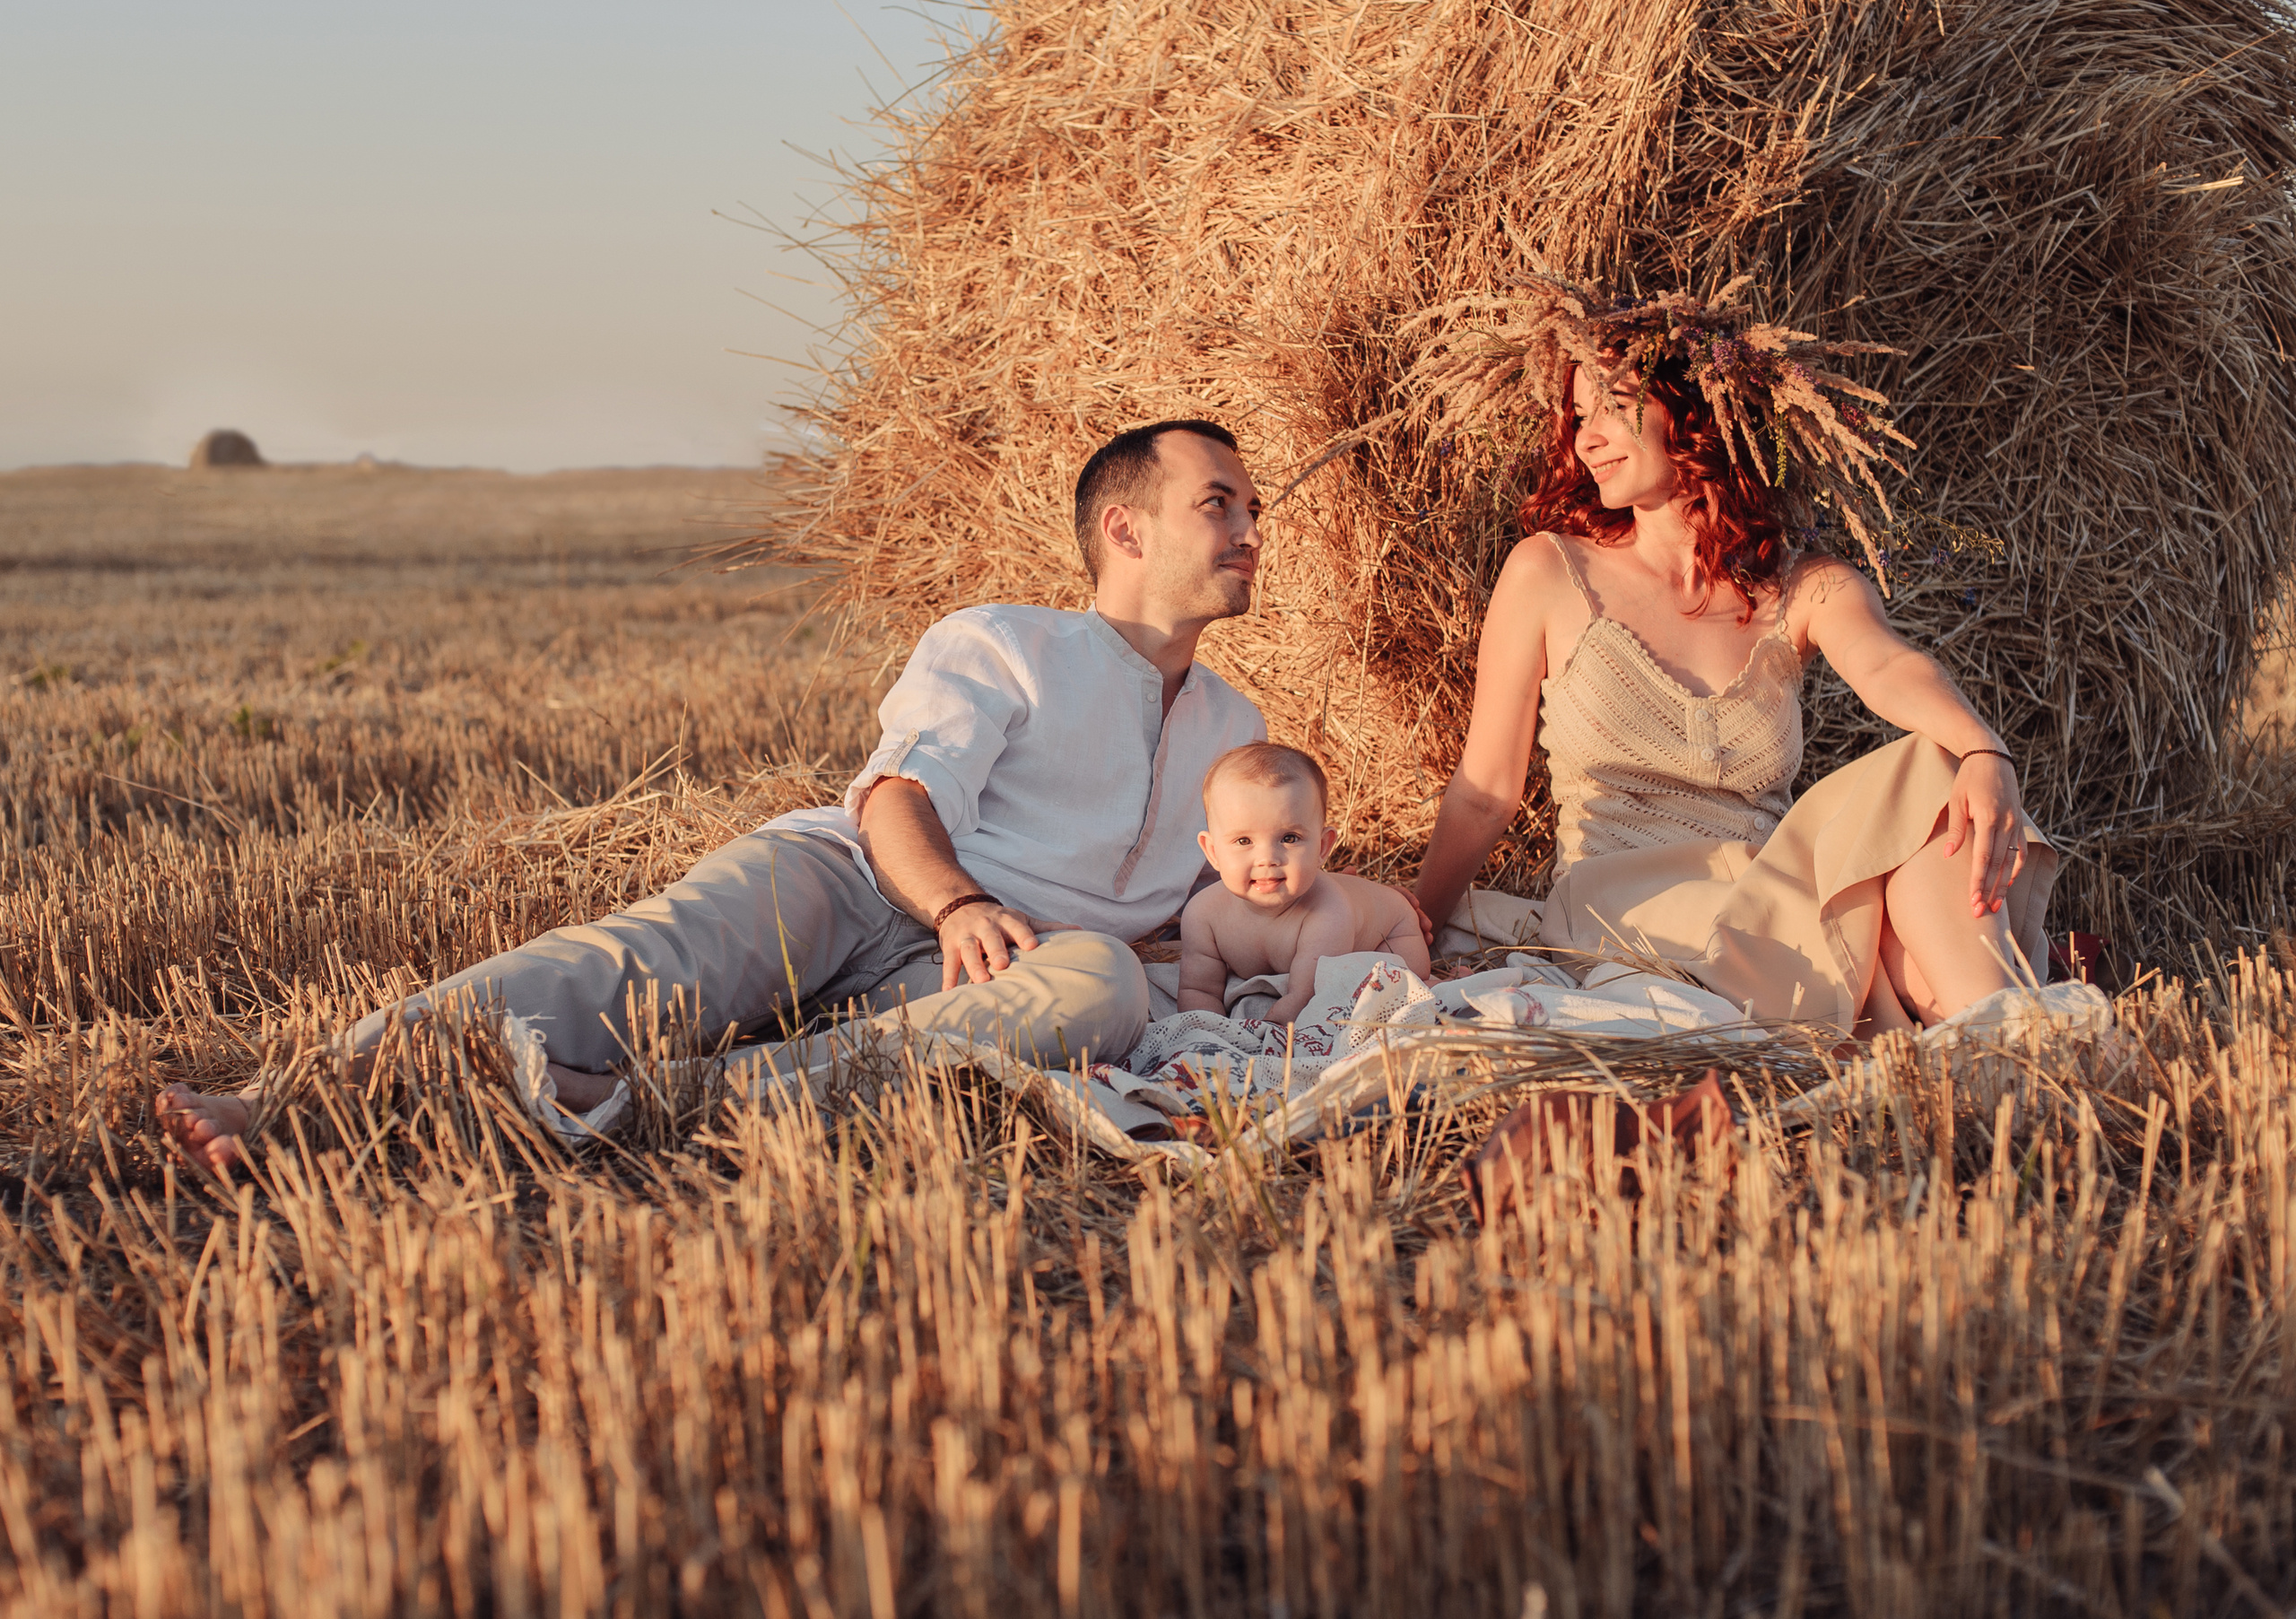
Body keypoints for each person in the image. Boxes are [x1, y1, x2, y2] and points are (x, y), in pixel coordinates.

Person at [160, 419, 1275, 1169]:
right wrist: (955, 904)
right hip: (861, 883)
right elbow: (895, 796)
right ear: (1124, 529)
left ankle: (667, 1100)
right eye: (1218, 503)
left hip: (999, 965)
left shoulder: (1235, 727)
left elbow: (1210, 899)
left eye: (1252, 508)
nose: (1250, 531)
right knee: (638, 961)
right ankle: (298, 1095)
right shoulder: (1002, 640)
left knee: (1109, 982)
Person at [1411, 283, 2061, 1039]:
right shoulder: (1551, 572)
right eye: (1577, 414)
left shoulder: (1801, 586)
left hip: (1773, 890)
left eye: (1613, 406)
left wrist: (1984, 747)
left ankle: (1998, 1047)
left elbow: (1887, 666)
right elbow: (1486, 792)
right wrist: (1413, 926)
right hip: (1634, 910)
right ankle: (1997, 1039)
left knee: (1939, 767)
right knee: (1898, 945)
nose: (1586, 438)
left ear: (1692, 409)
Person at [1178, 743, 1430, 1022]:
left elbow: (1304, 1001)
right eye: (1243, 841)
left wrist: (1258, 1039)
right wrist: (1210, 1034)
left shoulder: (1327, 912)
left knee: (1397, 990)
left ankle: (1443, 982)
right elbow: (1198, 991)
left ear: (1323, 847)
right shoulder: (1203, 915)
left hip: (1391, 931)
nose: (1267, 859)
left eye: (1289, 838)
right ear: (1212, 851)